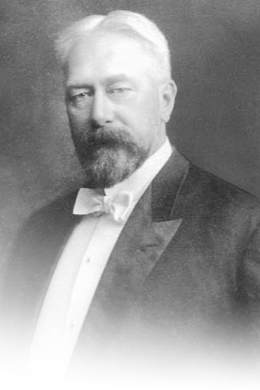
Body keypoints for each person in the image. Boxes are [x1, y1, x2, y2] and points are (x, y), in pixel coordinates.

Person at [1, 9, 260, 389]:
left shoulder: (241, 226)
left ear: (165, 100)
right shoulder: (40, 229)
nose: (99, 114)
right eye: (81, 95)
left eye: (119, 90)